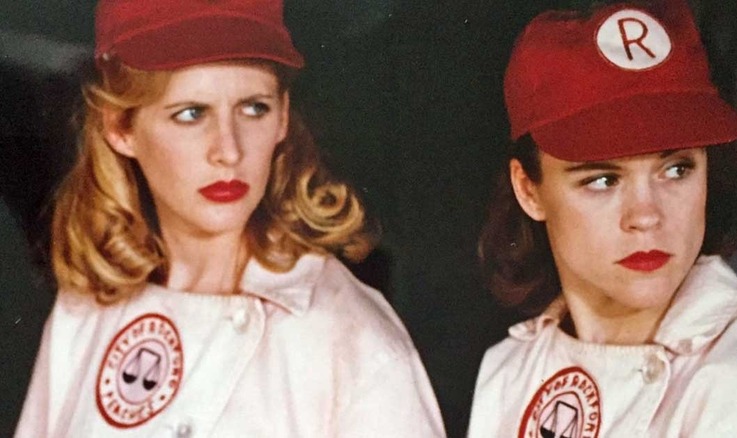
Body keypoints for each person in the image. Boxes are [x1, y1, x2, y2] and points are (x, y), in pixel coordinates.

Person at [14, 1, 445, 436]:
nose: (229, 149)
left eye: (254, 108)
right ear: (120, 128)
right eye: (191, 113)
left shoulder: (350, 338)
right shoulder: (84, 310)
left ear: (282, 118)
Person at [468, 0, 737, 436]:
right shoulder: (508, 370)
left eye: (676, 170)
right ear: (528, 190)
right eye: (601, 180)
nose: (646, 216)